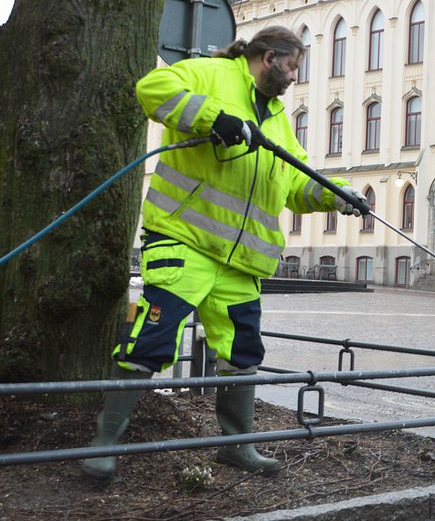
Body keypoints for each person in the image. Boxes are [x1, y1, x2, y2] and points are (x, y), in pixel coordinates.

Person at [81, 26, 365, 480]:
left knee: (243, 352)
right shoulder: (211, 74)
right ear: (270, 57)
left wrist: (337, 196)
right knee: (150, 345)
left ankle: (235, 446)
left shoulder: (276, 119)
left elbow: (293, 184)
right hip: (185, 242)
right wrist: (214, 118)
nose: (295, 78)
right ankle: (103, 444)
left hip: (240, 264)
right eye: (293, 67)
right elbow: (152, 88)